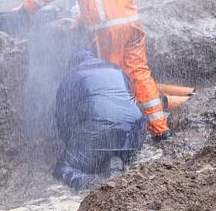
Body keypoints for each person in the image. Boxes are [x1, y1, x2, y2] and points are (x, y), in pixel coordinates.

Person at [19, 0, 170, 139]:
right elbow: (107, 1)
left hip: (107, 32)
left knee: (110, 80)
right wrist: (80, 18)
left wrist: (27, 8)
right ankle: (160, 128)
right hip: (133, 27)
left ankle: (117, 132)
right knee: (139, 74)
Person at [53, 50, 146, 190]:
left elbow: (63, 116)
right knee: (117, 148)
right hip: (134, 130)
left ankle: (89, 183)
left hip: (98, 132)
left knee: (62, 168)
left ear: (73, 63)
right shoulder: (116, 69)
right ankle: (120, 157)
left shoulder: (72, 75)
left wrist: (70, 142)